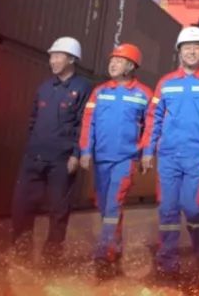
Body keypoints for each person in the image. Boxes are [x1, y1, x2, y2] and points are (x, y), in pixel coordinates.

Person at [143, 26, 199, 277]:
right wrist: (148, 150)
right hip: (168, 156)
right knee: (167, 209)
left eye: (197, 47)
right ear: (179, 51)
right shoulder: (165, 83)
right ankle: (167, 259)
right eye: (187, 47)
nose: (192, 52)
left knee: (193, 208)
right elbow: (153, 119)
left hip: (197, 156)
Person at [11, 36, 94, 264]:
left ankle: (51, 261)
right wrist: (32, 146)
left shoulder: (83, 88)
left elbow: (84, 124)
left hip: (62, 161)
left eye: (58, 56)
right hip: (33, 158)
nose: (53, 61)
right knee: (21, 208)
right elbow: (33, 120)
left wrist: (76, 154)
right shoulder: (44, 87)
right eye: (51, 56)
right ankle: (21, 256)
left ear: (72, 59)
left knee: (58, 212)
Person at [78, 43, 154, 278]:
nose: (113, 64)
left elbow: (151, 127)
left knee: (113, 204)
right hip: (101, 158)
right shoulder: (99, 92)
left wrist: (146, 152)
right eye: (112, 60)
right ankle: (115, 247)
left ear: (131, 66)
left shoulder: (144, 94)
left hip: (126, 159)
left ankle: (103, 255)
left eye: (119, 61)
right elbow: (88, 123)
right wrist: (85, 150)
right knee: (104, 206)